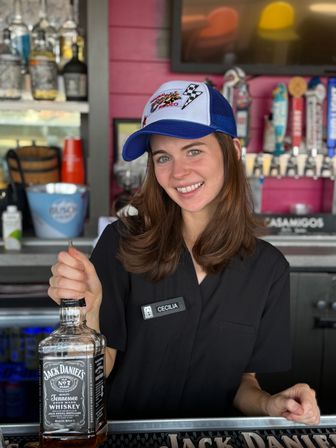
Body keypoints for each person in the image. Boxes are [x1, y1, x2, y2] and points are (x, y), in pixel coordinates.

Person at [48, 80, 320, 424]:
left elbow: (241, 382)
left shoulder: (268, 268)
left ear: (232, 151)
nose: (178, 173)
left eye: (194, 150)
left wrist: (268, 403)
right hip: (127, 438)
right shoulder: (121, 243)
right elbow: (100, 372)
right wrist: (86, 316)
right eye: (163, 157)